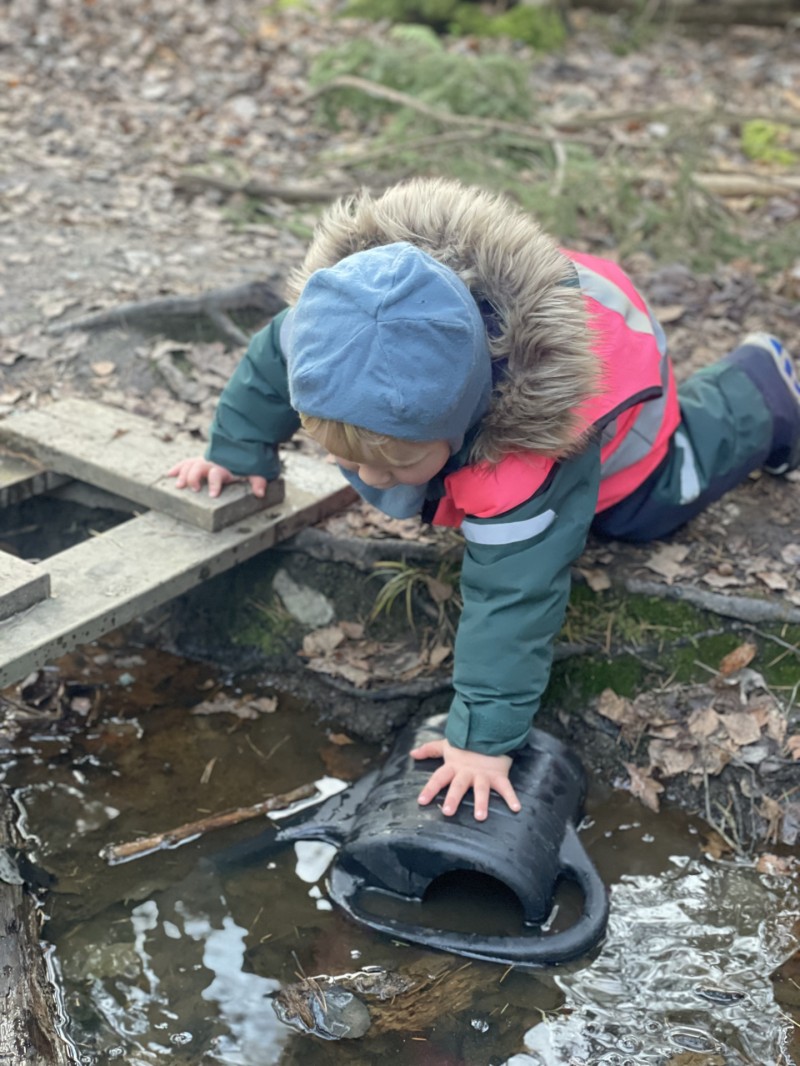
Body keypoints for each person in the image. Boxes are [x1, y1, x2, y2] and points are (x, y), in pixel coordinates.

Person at [169, 178, 800, 821]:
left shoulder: (528, 454)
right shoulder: (329, 330)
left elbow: (514, 596)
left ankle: (758, 390)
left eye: (395, 462)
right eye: (347, 458)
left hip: (612, 375)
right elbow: (268, 371)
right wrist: (236, 452)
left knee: (648, 506)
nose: (371, 479)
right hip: (483, 327)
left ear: (460, 421)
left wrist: (481, 741)